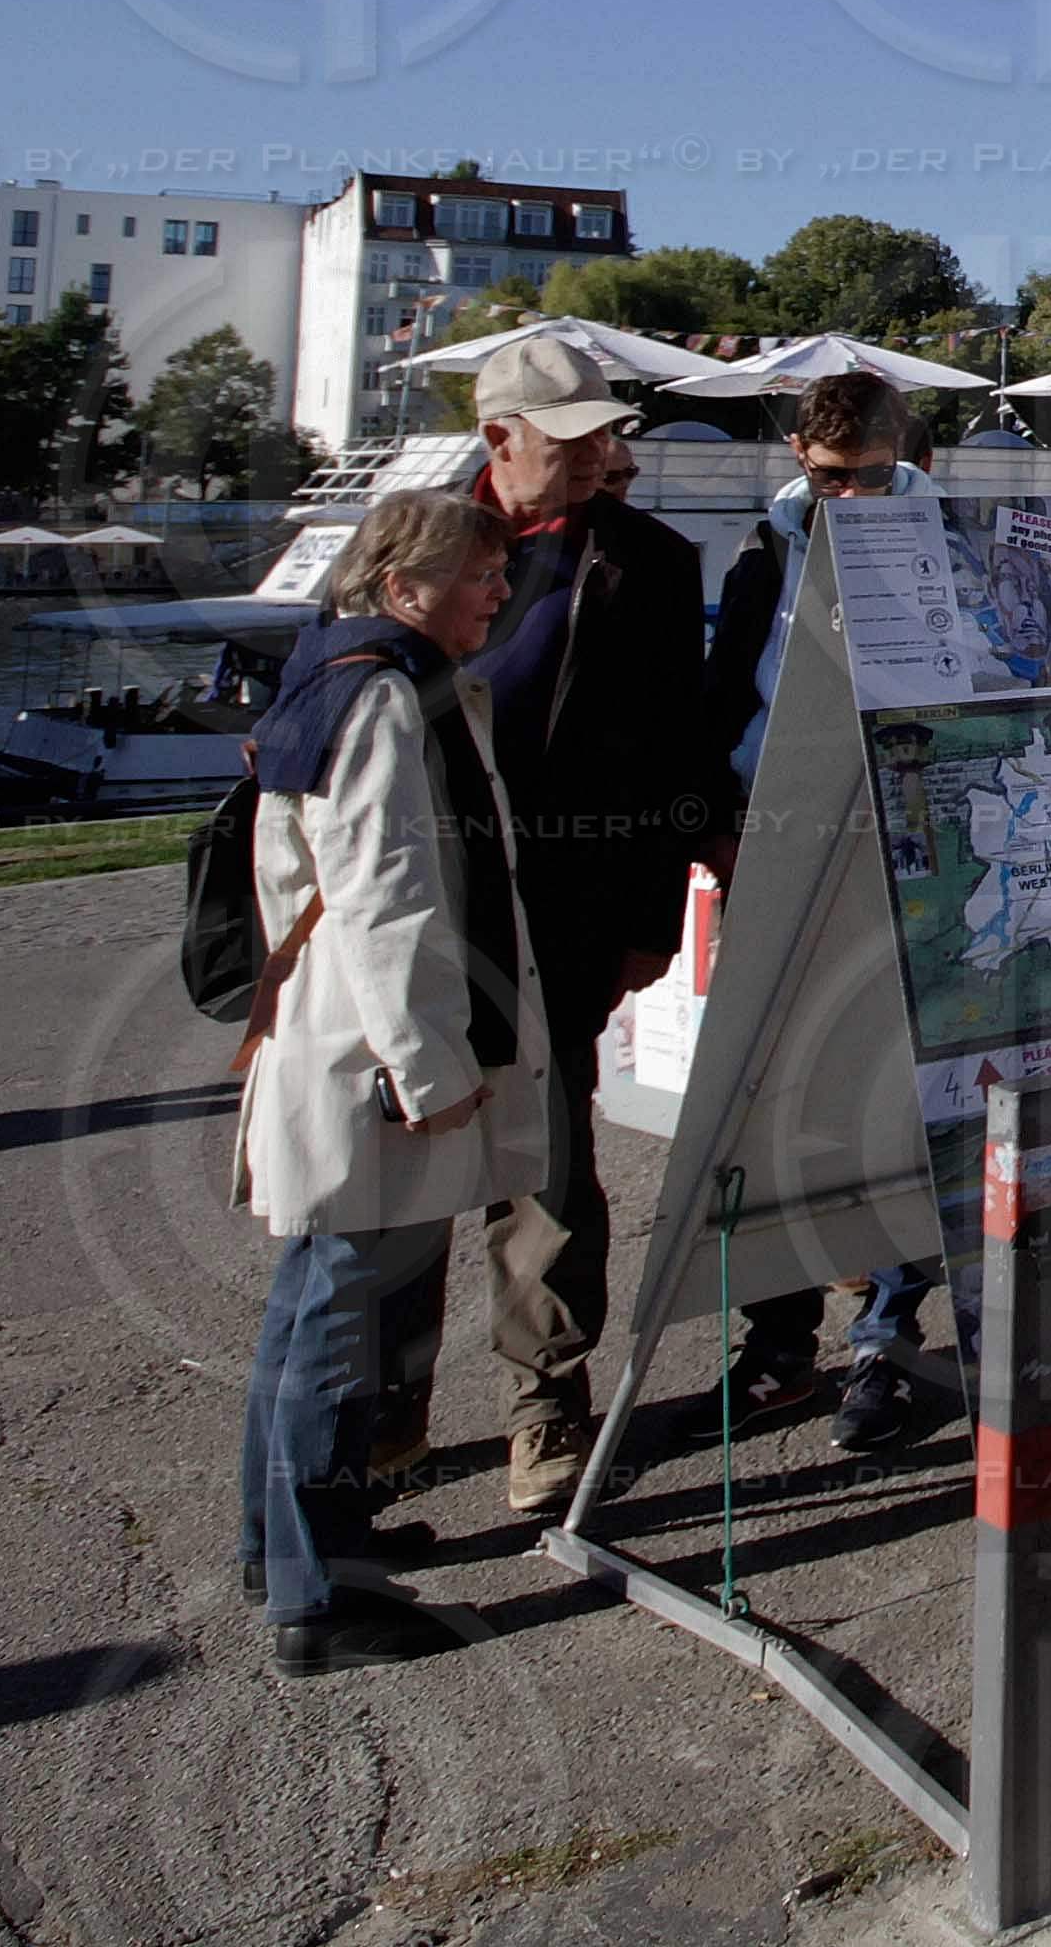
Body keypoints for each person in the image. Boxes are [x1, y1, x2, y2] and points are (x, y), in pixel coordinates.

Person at [231, 489, 543, 1676]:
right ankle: (321, 1592)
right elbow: (385, 891)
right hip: (369, 1053)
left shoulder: (338, 668)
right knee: (340, 1312)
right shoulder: (382, 692)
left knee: (312, 1292)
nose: (497, 593)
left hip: (330, 1035)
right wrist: (429, 1067)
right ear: (406, 581)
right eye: (479, 575)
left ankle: (287, 1544)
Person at [459, 332, 733, 1520]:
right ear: (497, 438)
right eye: (571, 440)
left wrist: (650, 919)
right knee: (395, 1177)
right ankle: (379, 1416)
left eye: (605, 435)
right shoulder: (414, 542)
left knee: (549, 1160)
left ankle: (545, 1402)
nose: (599, 456)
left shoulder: (650, 563)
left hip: (569, 909)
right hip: (431, 903)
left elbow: (681, 745)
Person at [699, 370, 946, 1455]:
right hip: (774, 822)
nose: (850, 497)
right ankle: (780, 1331)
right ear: (801, 452)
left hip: (898, 825)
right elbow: (728, 682)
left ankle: (885, 1336)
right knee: (780, 1089)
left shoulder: (945, 537)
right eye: (829, 476)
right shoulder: (773, 537)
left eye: (870, 476)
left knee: (890, 1091)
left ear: (905, 451)